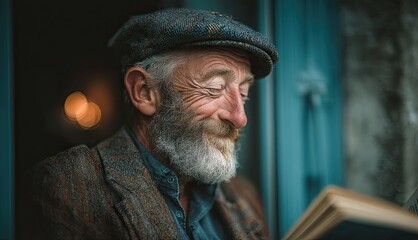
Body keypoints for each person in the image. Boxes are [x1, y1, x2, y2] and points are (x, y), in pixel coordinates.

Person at [25, 8, 278, 240]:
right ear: (144, 91)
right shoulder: (65, 187)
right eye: (214, 88)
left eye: (243, 94)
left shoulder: (244, 195)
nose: (239, 117)